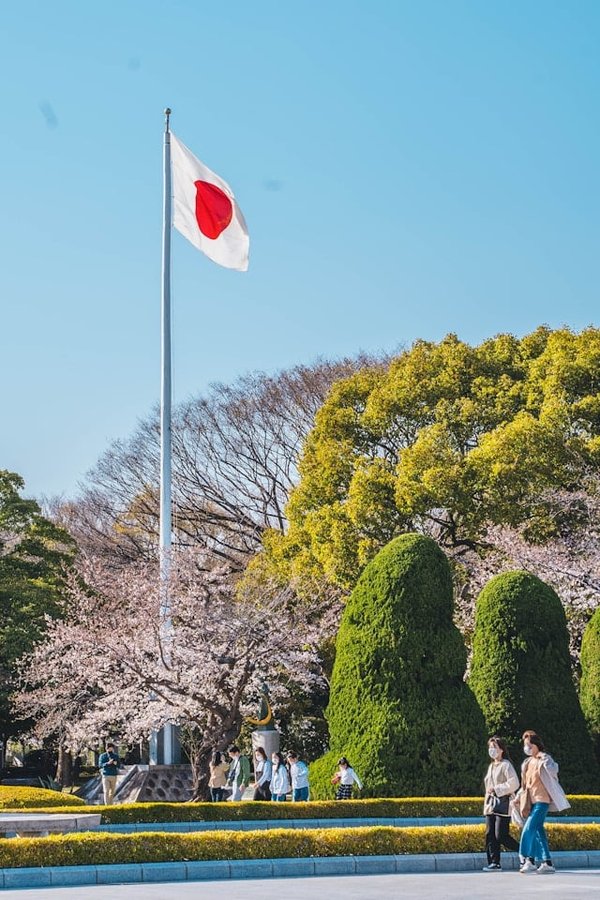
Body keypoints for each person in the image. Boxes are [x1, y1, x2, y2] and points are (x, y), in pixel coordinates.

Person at [517, 730, 570, 875]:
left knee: (529, 828)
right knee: (538, 831)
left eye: (529, 745)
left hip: (542, 801)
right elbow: (525, 785)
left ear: (536, 745)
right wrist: (517, 797)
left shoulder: (545, 758)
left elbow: (554, 771)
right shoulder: (527, 763)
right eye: (525, 745)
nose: (526, 748)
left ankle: (528, 859)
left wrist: (545, 759)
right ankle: (547, 862)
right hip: (531, 802)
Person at [482, 735, 520, 871]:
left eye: (494, 747)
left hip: (503, 804)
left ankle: (523, 851)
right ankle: (494, 862)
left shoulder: (506, 765)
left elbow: (514, 783)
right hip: (491, 804)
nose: (492, 750)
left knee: (501, 835)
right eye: (490, 748)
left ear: (501, 749)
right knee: (489, 834)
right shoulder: (491, 766)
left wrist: (497, 789)